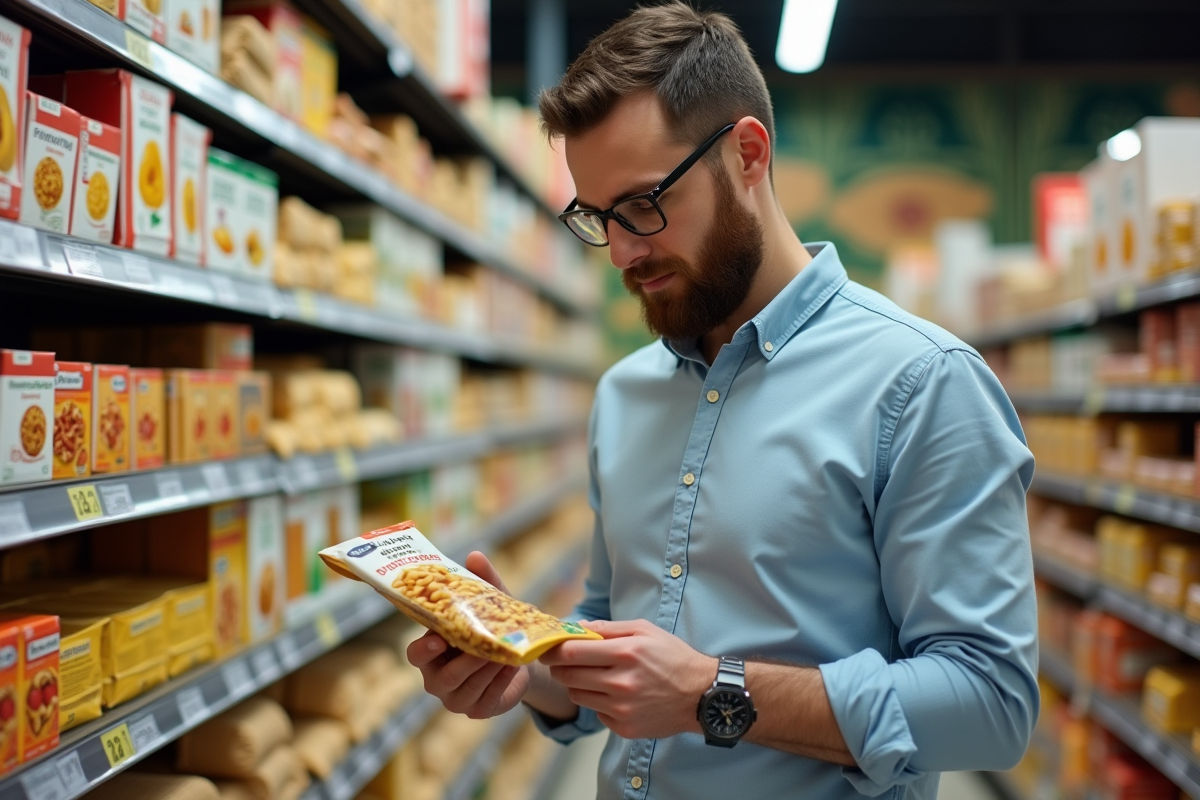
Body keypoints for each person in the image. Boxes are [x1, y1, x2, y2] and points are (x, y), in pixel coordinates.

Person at [406, 3, 1039, 798]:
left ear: (747, 153)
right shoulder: (623, 395)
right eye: (598, 219)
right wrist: (521, 667)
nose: (625, 253)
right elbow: (612, 654)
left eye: (644, 204)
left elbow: (989, 704)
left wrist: (713, 691)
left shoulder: (922, 384)